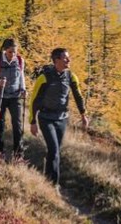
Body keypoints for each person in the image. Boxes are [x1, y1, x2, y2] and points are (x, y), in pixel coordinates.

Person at [26, 47, 88, 187]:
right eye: (65, 58)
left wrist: (83, 115)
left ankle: (47, 179)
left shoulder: (71, 76)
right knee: (54, 150)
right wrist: (32, 121)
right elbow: (34, 100)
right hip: (46, 118)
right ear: (56, 60)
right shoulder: (44, 77)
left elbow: (78, 96)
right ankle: (54, 185)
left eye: (68, 57)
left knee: (55, 152)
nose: (68, 60)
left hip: (62, 119)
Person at [0, 38, 28, 162]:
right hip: (1, 96)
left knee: (18, 125)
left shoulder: (20, 61)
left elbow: (22, 77)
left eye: (14, 52)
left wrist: (23, 89)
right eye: (10, 52)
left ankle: (18, 154)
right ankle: (0, 151)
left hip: (15, 97)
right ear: (5, 50)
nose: (13, 55)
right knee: (0, 124)